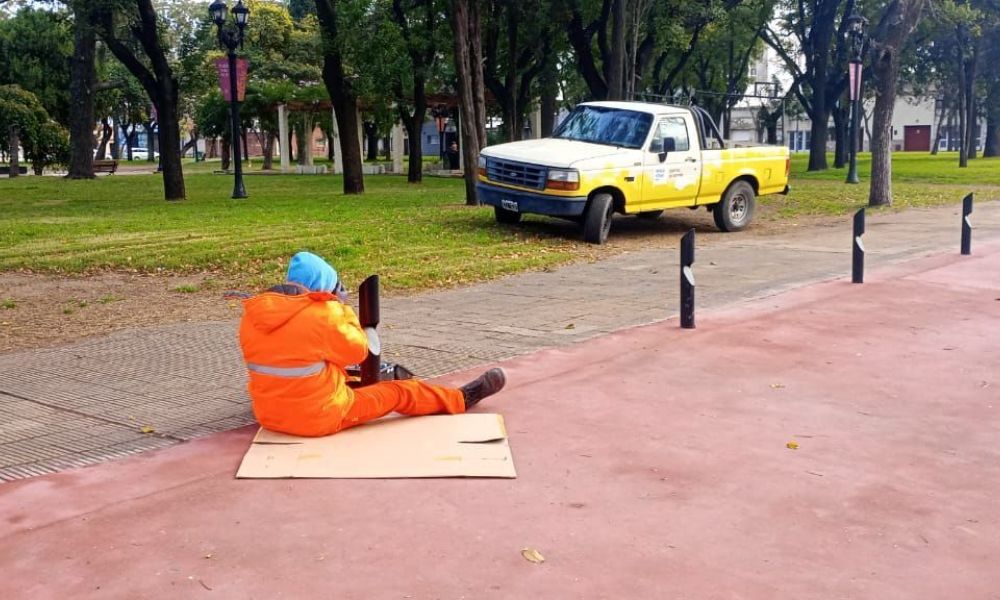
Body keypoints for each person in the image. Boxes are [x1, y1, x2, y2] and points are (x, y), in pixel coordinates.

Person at [238, 252, 506, 437]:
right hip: (319, 418)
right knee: (399, 392)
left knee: (335, 376)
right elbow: (359, 351)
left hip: (269, 415)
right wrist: (340, 311)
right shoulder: (323, 316)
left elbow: (294, 357)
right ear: (324, 289)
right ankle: (460, 399)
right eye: (338, 287)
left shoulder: (252, 317)